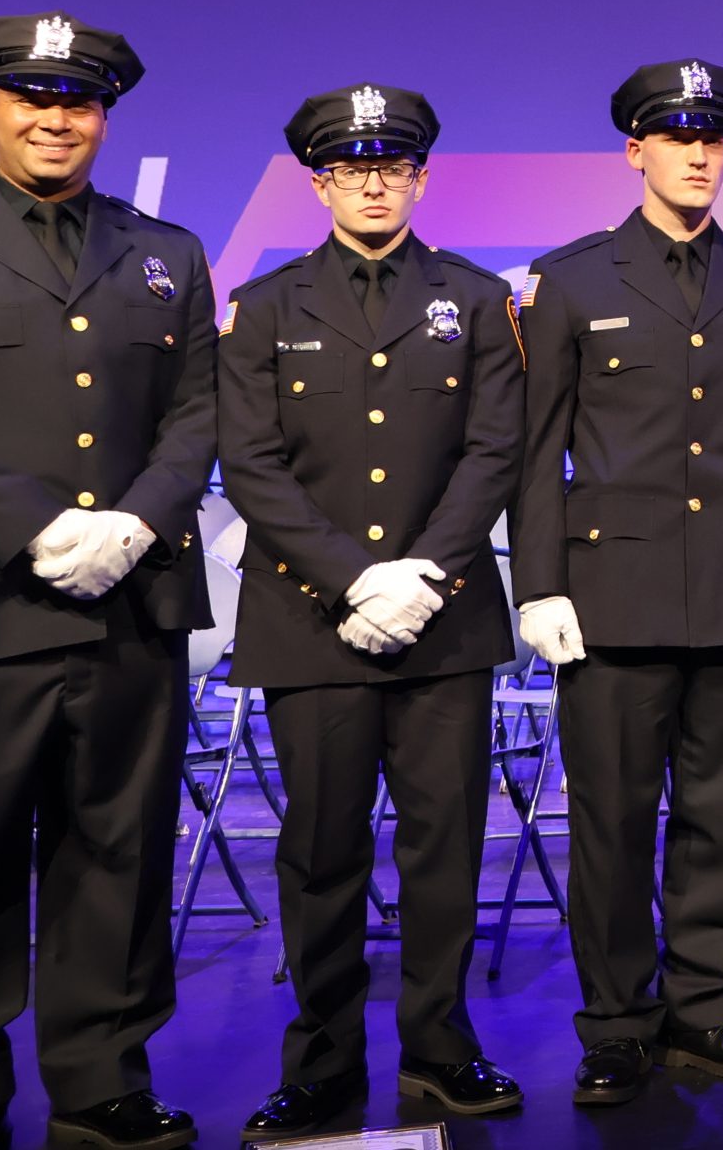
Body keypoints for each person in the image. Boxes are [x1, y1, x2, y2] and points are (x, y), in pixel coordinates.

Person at [0, 14, 216, 1150]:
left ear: (105, 117)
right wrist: (36, 531)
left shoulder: (164, 252)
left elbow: (198, 414)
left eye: (77, 102)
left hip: (128, 606)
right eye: (30, 98)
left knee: (115, 857)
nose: (54, 120)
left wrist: (137, 522)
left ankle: (100, 1086)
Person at [512, 59, 723, 1106]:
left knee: (719, 817)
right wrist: (540, 584)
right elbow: (537, 446)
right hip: (612, 598)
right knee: (610, 819)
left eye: (715, 138)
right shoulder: (572, 279)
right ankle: (614, 1025)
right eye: (676, 136)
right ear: (635, 151)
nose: (699, 154)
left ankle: (701, 1008)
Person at [218, 86, 527, 1138]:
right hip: (311, 624)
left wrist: (424, 574)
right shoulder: (265, 307)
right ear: (320, 182)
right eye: (352, 168)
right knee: (320, 854)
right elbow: (252, 465)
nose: (374, 182)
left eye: (393, 165)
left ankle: (442, 1048)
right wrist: (355, 580)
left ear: (422, 177)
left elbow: (495, 449)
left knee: (445, 845)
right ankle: (322, 1062)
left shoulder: (477, 298)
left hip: (444, 619)